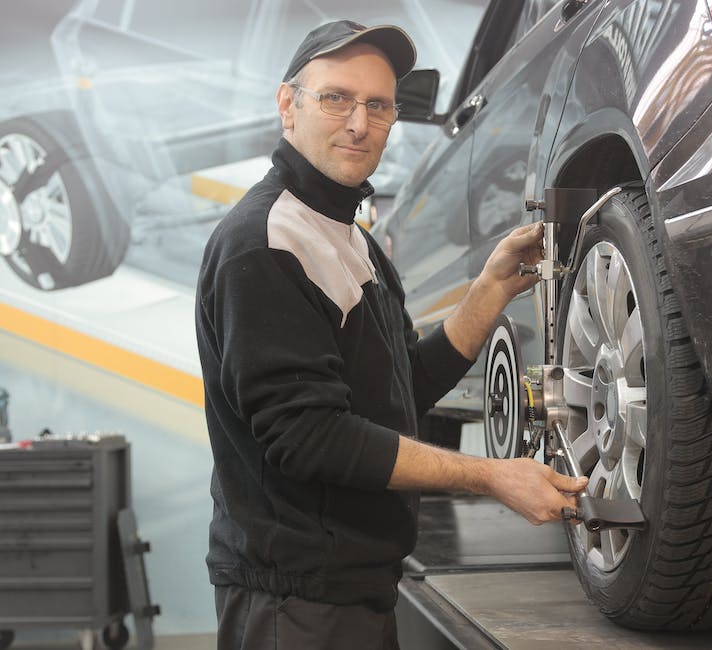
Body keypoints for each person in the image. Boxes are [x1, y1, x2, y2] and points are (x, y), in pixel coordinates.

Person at [195, 19, 588, 650]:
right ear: (287, 104)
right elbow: (310, 437)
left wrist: (486, 293)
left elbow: (403, 387)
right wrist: (491, 476)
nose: (358, 123)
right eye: (336, 98)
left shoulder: (355, 243)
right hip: (294, 604)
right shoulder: (264, 241)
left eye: (378, 106)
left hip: (354, 590)